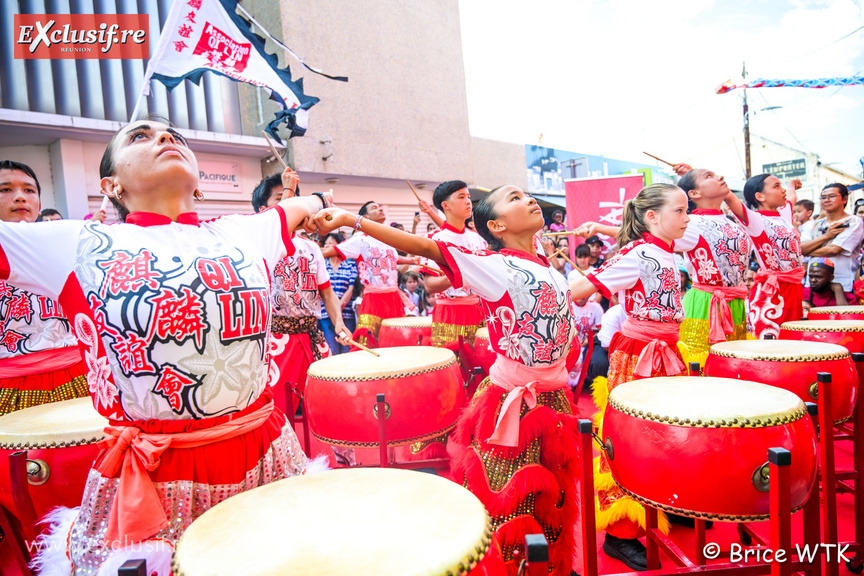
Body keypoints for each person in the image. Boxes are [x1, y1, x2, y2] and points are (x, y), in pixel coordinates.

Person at [13, 119, 328, 574]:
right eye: (140, 137)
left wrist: (318, 203)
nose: (165, 139)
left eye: (174, 136)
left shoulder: (241, 233)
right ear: (111, 185)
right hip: (157, 472)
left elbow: (295, 207)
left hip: (267, 450)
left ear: (199, 184)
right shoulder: (74, 243)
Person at [312, 185, 580, 576]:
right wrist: (355, 221)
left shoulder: (544, 264)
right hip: (514, 404)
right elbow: (428, 249)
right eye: (516, 198)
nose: (529, 199)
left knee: (552, 492)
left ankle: (550, 566)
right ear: (498, 225)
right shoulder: (494, 266)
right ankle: (512, 566)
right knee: (513, 495)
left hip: (554, 398)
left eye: (527, 195)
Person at [570, 183, 690, 571]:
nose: (687, 219)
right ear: (652, 217)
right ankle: (621, 534)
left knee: (667, 433)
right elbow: (579, 290)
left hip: (668, 351)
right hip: (639, 355)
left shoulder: (666, 252)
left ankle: (661, 503)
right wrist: (593, 286)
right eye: (680, 211)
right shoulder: (639, 254)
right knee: (630, 439)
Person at [251, 172, 349, 415]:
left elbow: (327, 294)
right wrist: (290, 190)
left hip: (312, 336)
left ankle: (334, 454)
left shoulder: (310, 247)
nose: (296, 206)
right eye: (283, 198)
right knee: (277, 412)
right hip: (275, 341)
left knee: (331, 406)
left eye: (298, 200)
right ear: (263, 209)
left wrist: (338, 324)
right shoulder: (256, 244)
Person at [0, 160, 89, 416]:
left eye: (29, 190)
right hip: (10, 388)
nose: (20, 198)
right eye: (5, 190)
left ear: (39, 203)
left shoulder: (68, 244)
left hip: (80, 378)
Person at [674, 167, 751, 364]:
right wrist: (600, 228)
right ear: (694, 194)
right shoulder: (690, 224)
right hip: (706, 304)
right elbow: (652, 238)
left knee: (732, 365)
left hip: (735, 303)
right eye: (709, 176)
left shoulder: (733, 221)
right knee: (701, 364)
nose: (720, 176)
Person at [320, 200, 415, 347]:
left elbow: (395, 259)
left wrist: (414, 260)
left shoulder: (388, 240)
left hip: (395, 299)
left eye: (380, 206)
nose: (380, 209)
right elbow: (327, 252)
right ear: (365, 217)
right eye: (375, 208)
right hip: (373, 300)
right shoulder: (359, 241)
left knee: (396, 344)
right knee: (369, 343)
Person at [722, 173, 804, 339]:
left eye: (781, 186)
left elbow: (792, 196)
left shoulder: (784, 213)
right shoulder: (755, 219)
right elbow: (729, 196)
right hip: (774, 290)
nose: (782, 190)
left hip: (794, 287)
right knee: (773, 342)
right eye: (776, 186)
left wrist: (793, 185)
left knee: (794, 339)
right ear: (759, 196)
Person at [423, 180, 487, 351]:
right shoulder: (434, 238)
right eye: (461, 197)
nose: (468, 201)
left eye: (468, 196)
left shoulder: (477, 238)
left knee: (480, 367)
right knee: (455, 367)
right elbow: (430, 286)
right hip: (450, 314)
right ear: (445, 205)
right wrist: (463, 272)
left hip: (480, 310)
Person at [800, 183, 862, 304]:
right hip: (813, 286)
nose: (826, 200)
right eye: (823, 197)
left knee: (843, 320)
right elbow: (800, 248)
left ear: (844, 199)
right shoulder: (814, 224)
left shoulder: (854, 221)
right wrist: (827, 236)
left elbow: (834, 249)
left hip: (843, 285)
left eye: (832, 196)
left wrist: (807, 251)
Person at [319, 232, 358, 354]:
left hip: (346, 313)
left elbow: (352, 287)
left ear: (339, 245)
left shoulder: (350, 263)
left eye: (330, 243)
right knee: (331, 348)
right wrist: (333, 307)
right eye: (325, 243)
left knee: (347, 346)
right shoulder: (322, 264)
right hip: (325, 313)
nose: (327, 245)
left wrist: (340, 305)